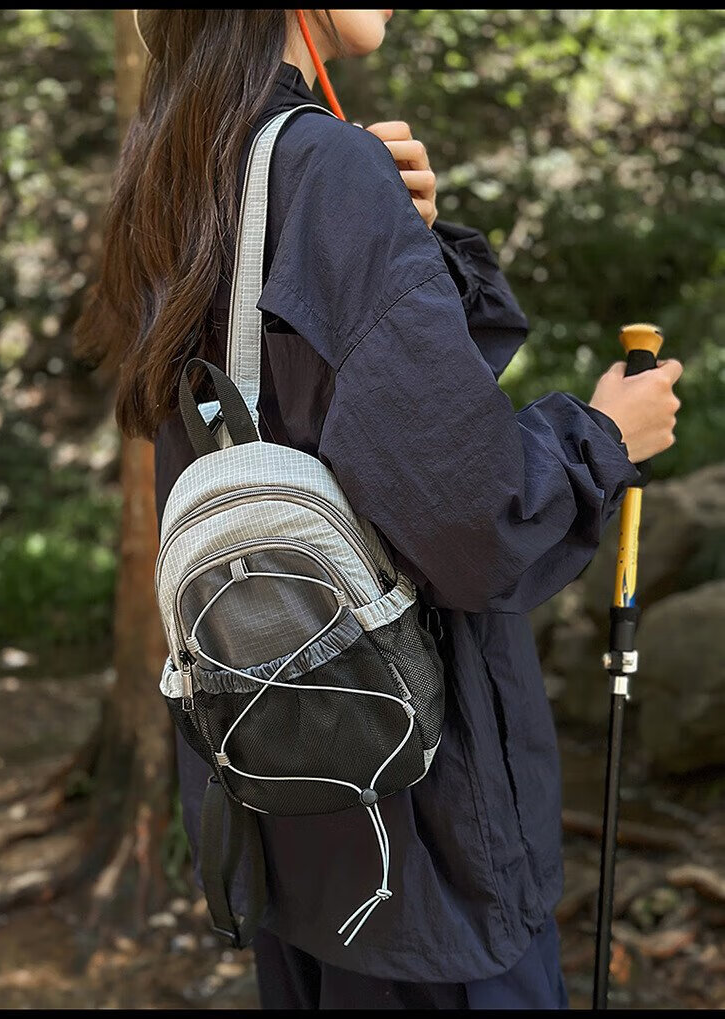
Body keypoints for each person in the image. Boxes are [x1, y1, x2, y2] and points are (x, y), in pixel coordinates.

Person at [76, 9, 683, 1010]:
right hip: (422, 840)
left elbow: (339, 428)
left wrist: (408, 245)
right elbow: (474, 520)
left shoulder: (183, 171)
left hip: (280, 797)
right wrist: (603, 436)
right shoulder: (325, 169)